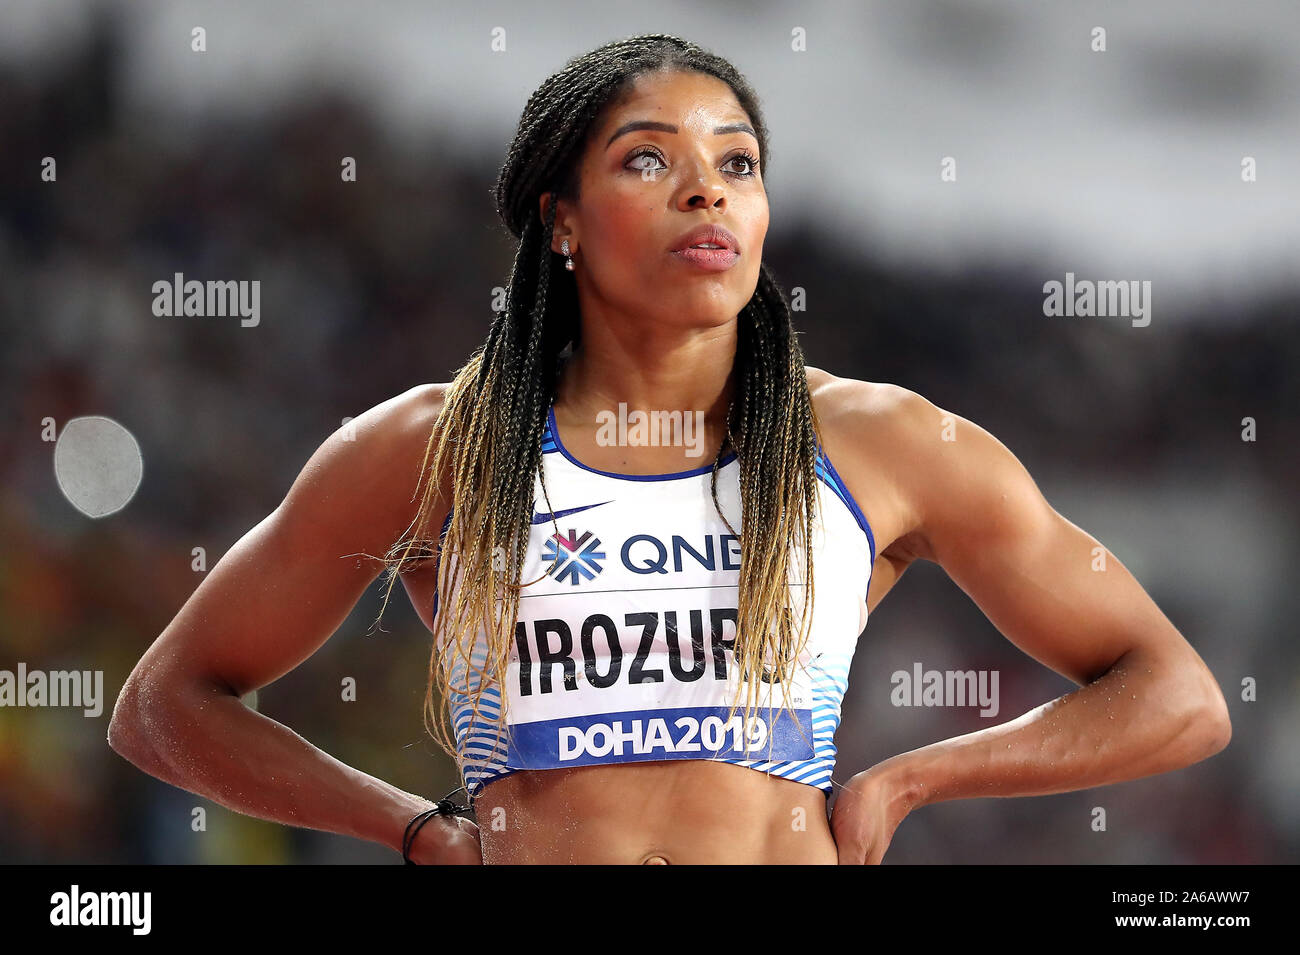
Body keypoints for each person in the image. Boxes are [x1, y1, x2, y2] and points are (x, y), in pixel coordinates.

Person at [108, 34, 1232, 865]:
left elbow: (1177, 693)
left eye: (737, 164)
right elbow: (166, 705)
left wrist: (910, 778)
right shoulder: (432, 448)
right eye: (648, 160)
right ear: (560, 217)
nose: (707, 187)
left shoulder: (883, 442)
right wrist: (408, 828)